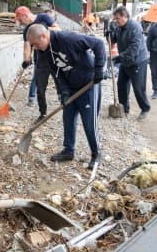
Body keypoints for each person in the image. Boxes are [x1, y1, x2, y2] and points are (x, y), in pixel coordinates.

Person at [26, 24, 106, 170]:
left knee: (89, 122)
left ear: (43, 36)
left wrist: (99, 69)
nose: (35, 48)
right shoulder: (45, 51)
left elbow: (99, 44)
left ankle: (96, 153)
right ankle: (68, 151)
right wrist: (63, 92)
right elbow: (57, 73)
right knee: (68, 119)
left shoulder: (68, 39)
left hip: (88, 84)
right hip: (70, 87)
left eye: (35, 44)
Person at [14, 6, 60, 121]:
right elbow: (26, 47)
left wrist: (43, 30)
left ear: (26, 15)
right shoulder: (26, 30)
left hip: (55, 57)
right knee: (40, 88)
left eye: (20, 20)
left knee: (59, 82)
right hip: (40, 60)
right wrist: (26, 60)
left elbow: (58, 29)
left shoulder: (44, 18)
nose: (20, 23)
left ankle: (65, 103)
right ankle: (42, 113)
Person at [108, 6, 151, 120]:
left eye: (117, 18)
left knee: (138, 87)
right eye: (115, 19)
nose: (116, 21)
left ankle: (145, 108)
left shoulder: (135, 27)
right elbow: (113, 40)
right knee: (122, 85)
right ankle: (124, 109)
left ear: (125, 16)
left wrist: (120, 57)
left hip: (137, 61)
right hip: (125, 61)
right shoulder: (119, 27)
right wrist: (109, 33)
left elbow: (134, 48)